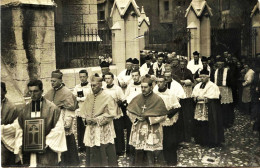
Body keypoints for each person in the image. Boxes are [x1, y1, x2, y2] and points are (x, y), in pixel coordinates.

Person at [1, 80, 67, 167]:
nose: (32, 94)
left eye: (35, 91)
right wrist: (3, 129)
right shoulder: (25, 109)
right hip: (29, 151)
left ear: (42, 91)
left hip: (47, 150)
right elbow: (18, 127)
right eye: (30, 91)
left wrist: (44, 143)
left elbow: (58, 130)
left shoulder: (53, 109)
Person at [127, 75, 169, 166]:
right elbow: (129, 111)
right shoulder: (137, 97)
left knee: (151, 153)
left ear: (151, 87)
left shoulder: (157, 99)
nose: (143, 89)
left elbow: (164, 116)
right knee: (138, 152)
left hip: (152, 130)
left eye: (145, 87)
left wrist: (149, 118)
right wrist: (136, 118)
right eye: (141, 87)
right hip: (138, 129)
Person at [79, 75, 118, 167]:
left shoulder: (108, 97)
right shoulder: (89, 96)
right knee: (92, 150)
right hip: (91, 127)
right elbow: (83, 112)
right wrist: (86, 119)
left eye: (94, 85)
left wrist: (96, 120)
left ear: (100, 85)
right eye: (91, 85)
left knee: (104, 149)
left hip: (102, 128)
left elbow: (111, 114)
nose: (92, 87)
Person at [44, 70, 79, 166]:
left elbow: (71, 108)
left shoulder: (67, 92)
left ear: (60, 80)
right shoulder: (49, 92)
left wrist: (67, 121)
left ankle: (69, 163)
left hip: (63, 118)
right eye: (51, 81)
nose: (52, 83)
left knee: (67, 142)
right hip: (52, 121)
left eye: (54, 81)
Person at [153, 76, 181, 166]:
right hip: (158, 120)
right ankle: (161, 160)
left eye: (161, 82)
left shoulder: (171, 94)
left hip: (168, 120)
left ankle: (171, 160)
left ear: (165, 83)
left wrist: (167, 115)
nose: (159, 84)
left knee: (169, 141)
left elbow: (177, 107)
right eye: (158, 82)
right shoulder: (154, 93)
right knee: (159, 140)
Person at [192, 71, 224, 147]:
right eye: (201, 77)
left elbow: (213, 97)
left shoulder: (213, 86)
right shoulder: (198, 85)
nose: (202, 78)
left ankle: (210, 141)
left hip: (209, 108)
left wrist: (202, 98)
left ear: (208, 77)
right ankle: (200, 140)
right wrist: (196, 98)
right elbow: (194, 95)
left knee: (208, 123)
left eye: (204, 77)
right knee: (200, 122)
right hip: (199, 107)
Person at [103, 72, 126, 156]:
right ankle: (110, 151)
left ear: (112, 79)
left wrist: (119, 102)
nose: (107, 80)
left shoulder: (117, 89)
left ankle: (120, 150)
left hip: (116, 113)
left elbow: (123, 100)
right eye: (106, 78)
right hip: (107, 114)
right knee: (109, 132)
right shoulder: (103, 88)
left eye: (109, 78)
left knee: (118, 131)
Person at [175, 59, 195, 142]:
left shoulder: (189, 71)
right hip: (179, 95)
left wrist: (187, 82)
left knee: (187, 114)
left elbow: (192, 82)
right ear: (179, 64)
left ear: (185, 64)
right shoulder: (176, 72)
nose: (182, 65)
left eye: (184, 64)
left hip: (187, 96)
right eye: (181, 64)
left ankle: (188, 135)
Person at [212, 57, 234, 129]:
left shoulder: (228, 71)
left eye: (221, 64)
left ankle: (227, 122)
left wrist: (227, 84)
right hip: (217, 89)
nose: (219, 65)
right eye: (218, 64)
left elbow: (231, 80)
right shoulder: (215, 71)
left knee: (226, 107)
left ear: (223, 64)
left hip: (226, 89)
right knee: (218, 106)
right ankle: (219, 122)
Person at [72, 69, 92, 152]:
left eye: (84, 77)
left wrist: (81, 98)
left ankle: (89, 145)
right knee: (80, 128)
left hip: (88, 109)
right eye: (81, 77)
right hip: (80, 110)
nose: (82, 78)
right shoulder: (77, 87)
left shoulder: (90, 86)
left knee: (88, 127)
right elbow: (73, 97)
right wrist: (80, 99)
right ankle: (81, 146)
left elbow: (90, 97)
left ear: (87, 77)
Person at [124, 69, 142, 155]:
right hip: (131, 111)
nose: (134, 77)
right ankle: (130, 150)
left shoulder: (143, 86)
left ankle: (139, 150)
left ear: (139, 76)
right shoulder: (130, 86)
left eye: (136, 75)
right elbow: (126, 96)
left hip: (140, 111)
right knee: (130, 129)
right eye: (133, 76)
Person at [1, 82, 19, 166]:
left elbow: (15, 127)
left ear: (5, 92)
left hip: (5, 139)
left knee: (2, 159)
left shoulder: (11, 107)